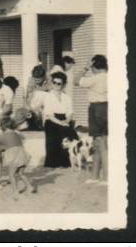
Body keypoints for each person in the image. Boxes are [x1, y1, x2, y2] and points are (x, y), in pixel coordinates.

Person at [0, 109, 36, 197]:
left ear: (2, 127)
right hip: (23, 156)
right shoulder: (16, 134)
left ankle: (15, 191)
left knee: (11, 175)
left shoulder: (3, 136)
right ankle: (30, 186)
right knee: (21, 173)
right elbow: (17, 143)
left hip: (14, 157)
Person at [78, 54, 108, 184]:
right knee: (98, 143)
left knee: (101, 144)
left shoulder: (95, 78)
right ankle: (95, 176)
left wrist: (85, 67)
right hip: (107, 107)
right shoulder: (112, 77)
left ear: (94, 66)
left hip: (97, 108)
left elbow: (75, 80)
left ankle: (106, 177)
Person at [41, 71, 78, 168]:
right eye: (54, 82)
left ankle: (66, 162)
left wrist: (66, 121)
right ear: (51, 83)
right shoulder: (48, 96)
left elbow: (70, 112)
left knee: (69, 135)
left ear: (63, 84)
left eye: (59, 83)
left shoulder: (67, 97)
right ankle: (52, 163)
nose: (56, 85)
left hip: (64, 119)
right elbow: (49, 114)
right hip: (52, 120)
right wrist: (61, 123)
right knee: (54, 139)